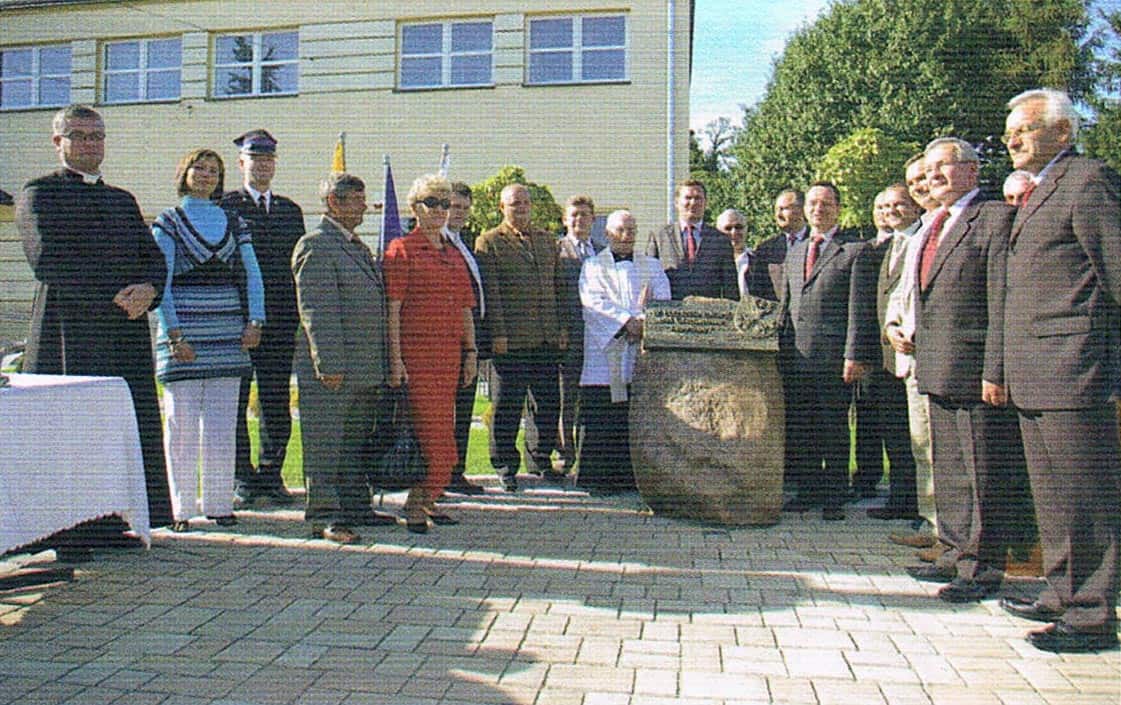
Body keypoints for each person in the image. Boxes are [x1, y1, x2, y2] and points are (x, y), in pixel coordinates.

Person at [998, 88, 1120, 652]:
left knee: (1085, 498)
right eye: (1008, 133)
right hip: (1035, 370)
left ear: (1063, 133)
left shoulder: (1088, 181)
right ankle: (1062, 591)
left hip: (1074, 369)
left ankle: (1093, 615)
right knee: (1051, 495)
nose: (1010, 141)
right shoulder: (1040, 191)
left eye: (1023, 129)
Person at [17, 104, 172, 544]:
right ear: (58, 141)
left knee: (116, 432)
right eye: (79, 135)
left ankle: (111, 521)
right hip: (69, 334)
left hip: (123, 336)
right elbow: (47, 260)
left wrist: (149, 289)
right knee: (70, 435)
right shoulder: (39, 193)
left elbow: (154, 260)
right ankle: (63, 530)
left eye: (97, 136)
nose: (90, 144)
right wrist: (118, 293)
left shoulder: (121, 199)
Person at [904, 137, 1032, 603]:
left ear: (973, 170)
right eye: (929, 167)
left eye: (945, 166)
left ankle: (981, 567)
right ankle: (954, 551)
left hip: (976, 370)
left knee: (982, 472)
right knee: (951, 469)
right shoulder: (933, 223)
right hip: (936, 366)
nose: (934, 174)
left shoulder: (995, 219)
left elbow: (1002, 300)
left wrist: (996, 368)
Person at [152, 148, 265, 532]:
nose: (205, 175)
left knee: (222, 426)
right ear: (184, 173)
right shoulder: (169, 221)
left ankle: (218, 504)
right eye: (198, 168)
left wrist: (255, 320)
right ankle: (181, 509)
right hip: (184, 335)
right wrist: (173, 334)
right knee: (180, 427)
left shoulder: (235, 221)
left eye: (213, 170)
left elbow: (252, 274)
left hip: (227, 334)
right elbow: (160, 282)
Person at [292, 173, 387, 544]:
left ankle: (354, 507)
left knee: (352, 443)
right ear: (335, 202)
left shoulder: (354, 246)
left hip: (362, 367)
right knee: (326, 444)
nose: (364, 205)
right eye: (357, 199)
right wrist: (328, 364)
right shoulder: (315, 245)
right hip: (334, 368)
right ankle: (325, 514)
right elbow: (318, 311)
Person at [777, 182, 877, 520]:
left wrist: (854, 354)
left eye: (827, 203)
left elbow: (859, 309)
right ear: (805, 209)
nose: (819, 208)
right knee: (803, 428)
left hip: (834, 359)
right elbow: (787, 306)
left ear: (838, 207)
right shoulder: (794, 252)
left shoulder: (853, 250)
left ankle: (834, 496)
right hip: (798, 357)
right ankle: (808, 490)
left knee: (834, 429)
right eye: (814, 203)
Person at [384, 174, 477, 532]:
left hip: (449, 359)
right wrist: (396, 360)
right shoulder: (401, 250)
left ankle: (426, 501)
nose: (440, 210)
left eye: (445, 204)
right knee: (438, 447)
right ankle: (414, 505)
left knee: (445, 441)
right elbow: (393, 309)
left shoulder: (453, 254)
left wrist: (470, 353)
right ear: (415, 208)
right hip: (417, 360)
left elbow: (466, 309)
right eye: (431, 203)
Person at [221, 129, 305, 507]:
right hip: (238, 322)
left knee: (275, 401)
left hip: (281, 321)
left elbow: (297, 269)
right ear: (242, 164)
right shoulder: (226, 207)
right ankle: (242, 476)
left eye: (269, 159)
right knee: (235, 402)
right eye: (256, 159)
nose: (263, 166)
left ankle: (271, 474)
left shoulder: (289, 211)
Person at [474, 183, 564, 492]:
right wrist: (497, 333)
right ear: (502, 208)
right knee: (507, 405)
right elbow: (492, 294)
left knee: (547, 403)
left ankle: (540, 460)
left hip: (546, 337)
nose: (521, 208)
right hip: (510, 339)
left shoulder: (547, 240)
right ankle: (504, 465)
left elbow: (557, 287)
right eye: (514, 204)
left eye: (525, 202)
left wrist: (560, 328)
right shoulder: (489, 242)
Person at [577, 210, 671, 492]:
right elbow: (592, 303)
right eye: (621, 230)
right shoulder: (593, 266)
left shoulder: (652, 266)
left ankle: (631, 479)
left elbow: (663, 298)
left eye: (632, 230)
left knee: (633, 418)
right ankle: (597, 480)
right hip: (605, 353)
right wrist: (626, 322)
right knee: (602, 420)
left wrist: (643, 323)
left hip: (639, 352)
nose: (627, 236)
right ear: (607, 233)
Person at [884, 154, 941, 555]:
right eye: (914, 181)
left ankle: (949, 535)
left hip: (943, 359)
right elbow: (902, 296)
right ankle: (933, 525)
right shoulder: (919, 234)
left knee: (942, 451)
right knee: (923, 446)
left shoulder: (938, 228)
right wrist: (892, 327)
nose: (921, 186)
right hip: (912, 359)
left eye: (925, 179)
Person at [863, 185, 922, 521]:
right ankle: (902, 499)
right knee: (897, 433)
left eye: (899, 204)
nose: (891, 211)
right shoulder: (890, 245)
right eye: (885, 205)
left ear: (915, 206)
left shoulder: (920, 239)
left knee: (919, 437)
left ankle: (920, 505)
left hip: (914, 353)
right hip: (888, 354)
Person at [444, 181, 487, 496]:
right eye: (453, 206)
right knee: (444, 412)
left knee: (462, 408)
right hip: (446, 342)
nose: (457, 213)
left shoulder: (463, 244)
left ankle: (455, 471)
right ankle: (441, 474)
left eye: (463, 207)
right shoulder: (439, 245)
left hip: (468, 341)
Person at [555, 194, 600, 475]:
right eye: (573, 215)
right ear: (565, 219)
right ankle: (565, 455)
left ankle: (588, 454)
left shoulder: (603, 252)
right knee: (566, 398)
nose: (579, 220)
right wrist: (559, 327)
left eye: (584, 215)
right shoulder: (555, 251)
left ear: (593, 220)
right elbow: (550, 293)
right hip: (568, 334)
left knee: (592, 396)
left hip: (598, 337)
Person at [645, 179, 738, 300]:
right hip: (669, 311)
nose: (693, 202)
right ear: (677, 202)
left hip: (709, 314)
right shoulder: (659, 236)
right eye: (688, 198)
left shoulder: (720, 240)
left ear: (706, 203)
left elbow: (731, 288)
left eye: (698, 198)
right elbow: (647, 279)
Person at [745, 189, 806, 302]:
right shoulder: (765, 249)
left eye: (783, 209)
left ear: (801, 210)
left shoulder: (817, 244)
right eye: (776, 210)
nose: (778, 215)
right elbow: (757, 293)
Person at [715, 208, 751, 297]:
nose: (734, 232)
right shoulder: (709, 264)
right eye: (728, 228)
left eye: (739, 227)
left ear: (746, 229)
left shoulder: (760, 262)